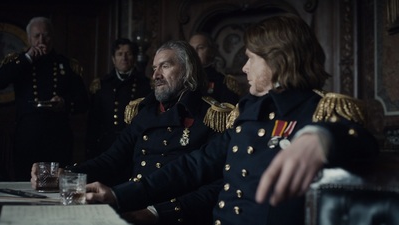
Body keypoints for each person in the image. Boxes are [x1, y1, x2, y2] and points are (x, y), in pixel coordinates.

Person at [81, 14, 379, 225]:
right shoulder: (250, 111)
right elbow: (194, 166)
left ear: (277, 60)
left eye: (250, 58)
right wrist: (118, 195)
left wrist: (322, 137)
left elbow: (365, 147)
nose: (244, 68)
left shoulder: (320, 109)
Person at [31, 40, 233, 225]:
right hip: (132, 204)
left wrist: (159, 212)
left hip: (177, 216)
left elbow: (216, 186)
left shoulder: (212, 117)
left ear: (188, 70)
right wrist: (66, 175)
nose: (155, 75)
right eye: (154, 68)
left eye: (165, 66)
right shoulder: (146, 112)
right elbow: (111, 159)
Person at [0, 17, 89, 181]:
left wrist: (64, 103)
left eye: (46, 36)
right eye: (37, 36)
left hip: (57, 138)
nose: (42, 41)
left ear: (52, 37)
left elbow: (84, 101)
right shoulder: (19, 62)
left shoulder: (66, 64)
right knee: (25, 182)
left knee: (58, 185)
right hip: (27, 138)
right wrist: (27, 58)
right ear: (29, 39)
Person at [85, 38, 151, 159]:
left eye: (128, 54)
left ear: (134, 58)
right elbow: (93, 124)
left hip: (134, 146)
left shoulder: (146, 85)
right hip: (106, 147)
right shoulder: (101, 85)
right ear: (113, 59)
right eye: (120, 54)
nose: (124, 58)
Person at [189, 33, 241, 104]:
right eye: (191, 48)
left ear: (211, 51)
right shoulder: (182, 79)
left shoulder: (224, 82)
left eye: (200, 48)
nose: (194, 52)